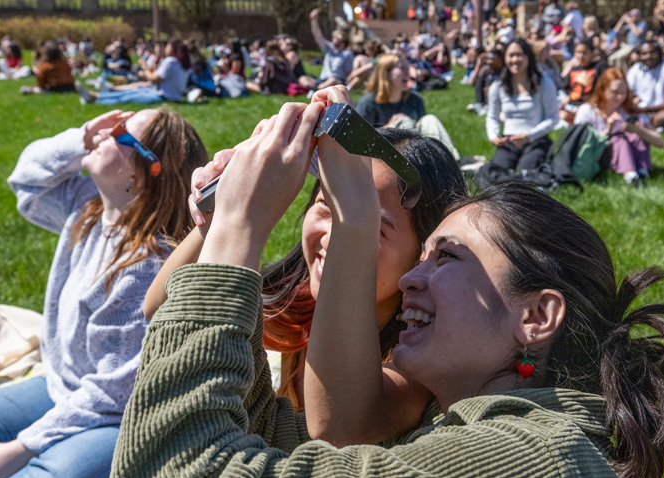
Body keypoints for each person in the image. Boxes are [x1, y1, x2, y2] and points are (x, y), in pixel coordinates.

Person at [109, 98, 664, 478]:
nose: (415, 277)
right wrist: (219, 226)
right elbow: (266, 433)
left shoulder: (537, 462)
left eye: (446, 256)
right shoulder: (473, 425)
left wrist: (241, 228)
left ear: (537, 316)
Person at [142, 89, 466, 416]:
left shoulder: (416, 362)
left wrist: (244, 223)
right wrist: (218, 215)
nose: (333, 235)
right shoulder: (296, 306)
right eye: (326, 206)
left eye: (368, 225)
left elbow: (332, 421)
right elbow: (163, 307)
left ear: (423, 256)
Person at [0, 108, 207, 478]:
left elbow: (116, 391)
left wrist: (17, 451)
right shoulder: (86, 209)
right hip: (64, 389)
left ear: (141, 174)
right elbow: (27, 181)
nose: (107, 132)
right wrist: (80, 137)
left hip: (125, 422)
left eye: (120, 133)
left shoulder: (145, 268)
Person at [355, 54, 460, 160]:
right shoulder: (367, 103)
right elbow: (359, 142)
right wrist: (388, 127)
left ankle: (452, 164)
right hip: (384, 160)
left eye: (407, 67)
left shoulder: (415, 99)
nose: (407, 71)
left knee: (429, 120)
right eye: (401, 68)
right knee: (403, 121)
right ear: (385, 73)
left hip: (417, 155)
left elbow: (425, 135)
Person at [574, 67, 664, 185]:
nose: (620, 97)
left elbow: (661, 142)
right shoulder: (587, 110)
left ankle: (641, 172)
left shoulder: (628, 111)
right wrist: (608, 131)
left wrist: (639, 130)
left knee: (637, 132)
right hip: (597, 158)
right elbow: (579, 144)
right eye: (615, 92)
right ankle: (630, 175)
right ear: (602, 90)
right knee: (618, 137)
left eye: (623, 92)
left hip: (631, 155)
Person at [486, 38, 559, 175]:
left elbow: (553, 118)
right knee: (497, 173)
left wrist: (528, 136)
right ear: (505, 58)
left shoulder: (544, 83)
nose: (515, 60)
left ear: (528, 57)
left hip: (536, 139)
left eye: (519, 55)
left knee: (525, 172)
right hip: (509, 141)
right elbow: (492, 116)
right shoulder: (498, 86)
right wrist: (494, 135)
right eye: (510, 55)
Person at [77, 39, 192, 105]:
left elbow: (154, 79)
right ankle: (95, 96)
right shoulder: (181, 64)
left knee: (127, 97)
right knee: (128, 93)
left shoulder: (171, 61)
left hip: (164, 96)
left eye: (168, 46)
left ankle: (95, 99)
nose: (166, 48)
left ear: (174, 49)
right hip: (169, 95)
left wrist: (144, 67)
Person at [309, 8, 355, 90]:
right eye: (334, 37)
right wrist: (313, 20)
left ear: (343, 43)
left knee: (332, 80)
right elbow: (318, 36)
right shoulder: (329, 48)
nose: (334, 40)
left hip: (337, 81)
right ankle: (315, 88)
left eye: (337, 39)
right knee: (303, 78)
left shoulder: (347, 54)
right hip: (322, 80)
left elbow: (349, 73)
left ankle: (315, 90)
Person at [560, 40, 605, 122]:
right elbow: (566, 90)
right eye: (578, 52)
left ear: (591, 53)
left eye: (584, 53)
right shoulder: (573, 69)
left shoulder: (599, 67)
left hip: (589, 106)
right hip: (572, 105)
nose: (581, 56)